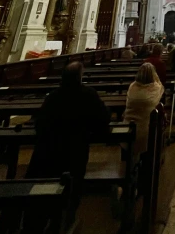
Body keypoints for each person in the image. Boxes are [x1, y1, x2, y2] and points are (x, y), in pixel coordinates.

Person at [25, 62, 109, 231]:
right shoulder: (88, 94)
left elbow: (39, 125)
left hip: (48, 154)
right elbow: (103, 119)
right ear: (80, 77)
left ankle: (43, 219)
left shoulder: (52, 97)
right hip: (75, 153)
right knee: (74, 182)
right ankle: (66, 215)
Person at [124, 63, 164, 155]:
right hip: (146, 130)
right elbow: (161, 88)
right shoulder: (155, 88)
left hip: (128, 126)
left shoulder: (132, 86)